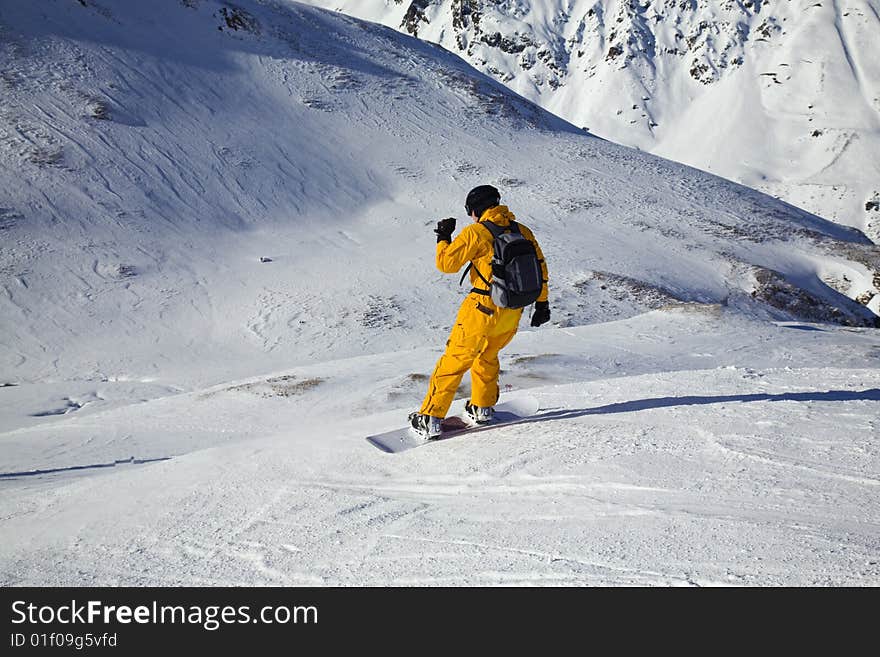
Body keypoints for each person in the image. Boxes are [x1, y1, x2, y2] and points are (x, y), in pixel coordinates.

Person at [409, 184, 551, 438]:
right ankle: (482, 407)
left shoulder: (477, 232)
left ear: (475, 209)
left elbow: (446, 264)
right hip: (512, 310)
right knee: (487, 357)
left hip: (482, 309)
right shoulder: (522, 231)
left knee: (453, 362)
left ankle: (430, 418)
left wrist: (443, 237)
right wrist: (542, 303)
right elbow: (540, 267)